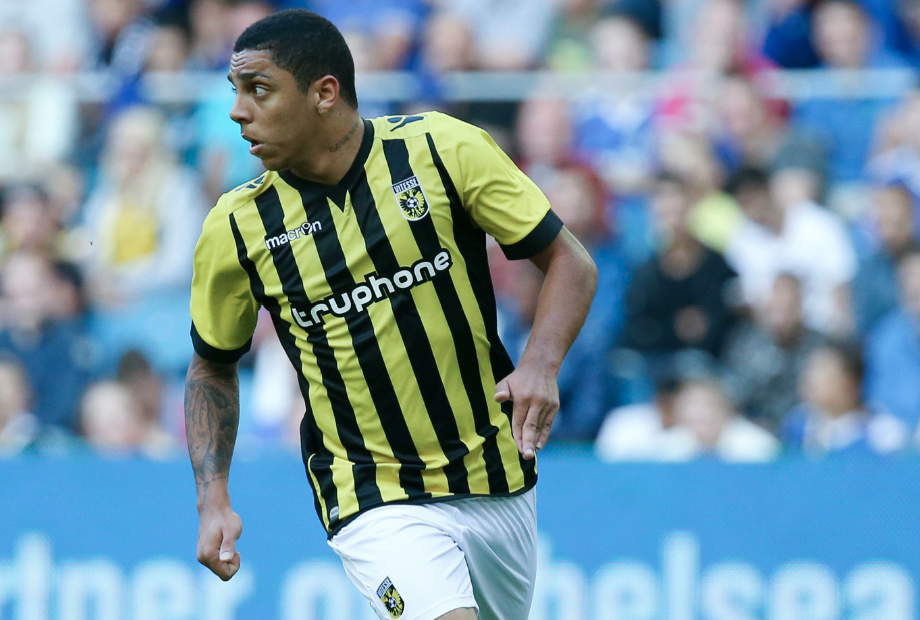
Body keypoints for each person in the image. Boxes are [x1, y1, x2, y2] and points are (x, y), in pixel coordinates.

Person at [183, 11, 597, 620]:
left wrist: (540, 364)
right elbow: (212, 366)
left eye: (259, 89)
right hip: (370, 493)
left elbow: (569, 261)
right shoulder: (237, 227)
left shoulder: (442, 150)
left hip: (495, 473)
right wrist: (212, 498)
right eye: (236, 91)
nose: (238, 112)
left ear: (325, 92)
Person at [783, 342, 908, 455]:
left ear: (851, 381)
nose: (811, 378)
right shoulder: (798, 425)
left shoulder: (883, 436)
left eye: (823, 369)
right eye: (810, 369)